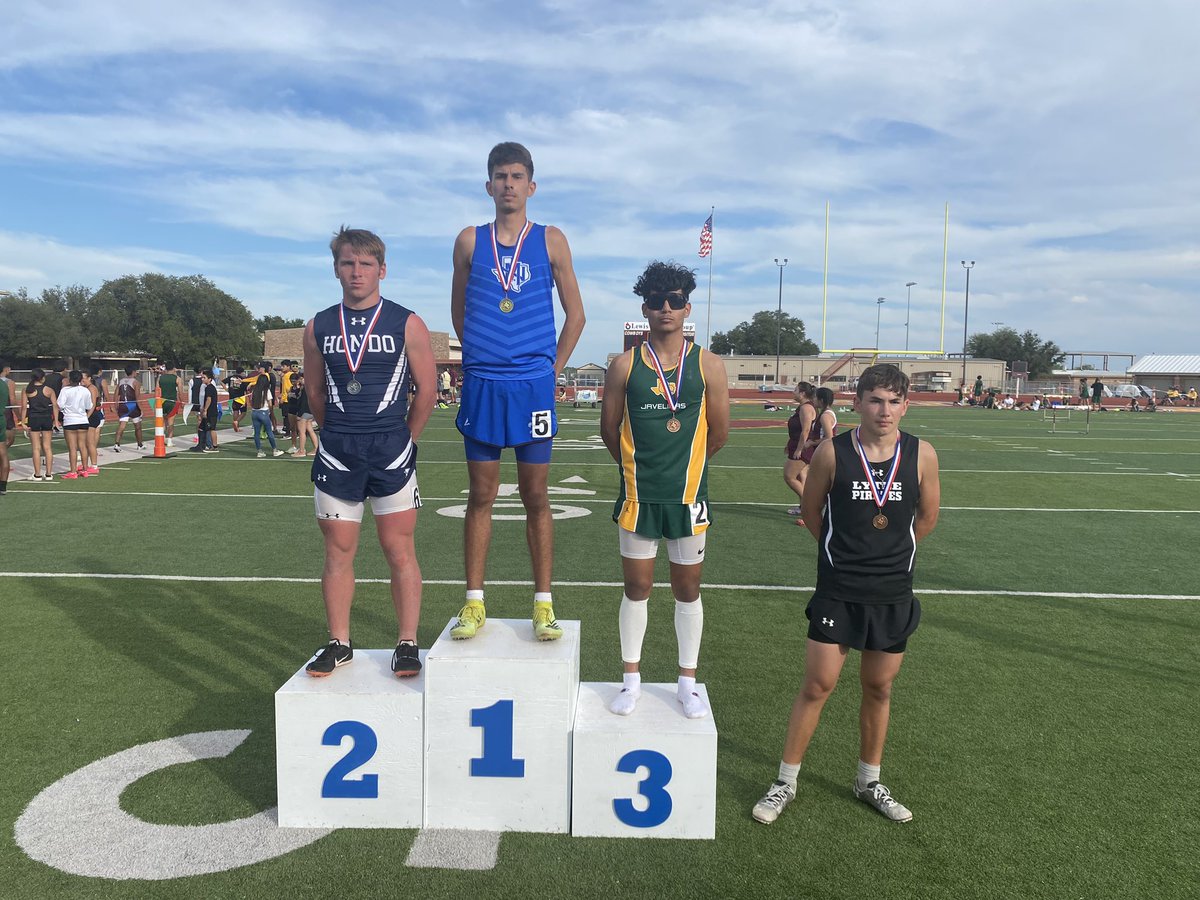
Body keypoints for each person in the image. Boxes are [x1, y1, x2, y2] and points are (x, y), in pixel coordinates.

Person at [752, 364, 941, 827]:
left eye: (893, 402)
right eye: (875, 400)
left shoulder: (922, 454)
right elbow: (812, 511)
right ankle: (785, 781)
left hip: (892, 590)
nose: (884, 411)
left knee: (879, 687)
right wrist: (844, 556)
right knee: (818, 685)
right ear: (857, 403)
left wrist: (889, 558)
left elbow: (926, 519)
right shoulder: (832, 452)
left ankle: (868, 780)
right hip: (839, 588)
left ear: (906, 406)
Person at [449, 141, 585, 641]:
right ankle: (474, 602)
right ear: (488, 185)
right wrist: (482, 355)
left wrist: (551, 371)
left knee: (536, 496)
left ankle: (543, 604)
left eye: (517, 176)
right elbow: (459, 312)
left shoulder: (551, 240)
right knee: (481, 495)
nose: (508, 184)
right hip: (485, 385)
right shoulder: (469, 241)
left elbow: (577, 315)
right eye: (501, 176)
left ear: (531, 186)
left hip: (532, 388)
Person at [302, 226, 436, 678]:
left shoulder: (407, 322)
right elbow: (315, 391)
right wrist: (337, 431)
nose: (356, 272)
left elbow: (427, 390)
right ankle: (339, 642)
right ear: (335, 269)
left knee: (399, 549)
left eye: (365, 264)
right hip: (338, 451)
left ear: (382, 269)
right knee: (338, 551)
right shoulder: (318, 326)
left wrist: (407, 439)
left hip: (391, 449)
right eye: (347, 263)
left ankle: (407, 642)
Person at [600, 260, 728, 719]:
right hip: (639, 497)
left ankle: (687, 683)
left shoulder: (709, 364)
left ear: (687, 307)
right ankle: (630, 680)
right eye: (657, 301)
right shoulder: (624, 365)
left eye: (675, 300)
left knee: (687, 590)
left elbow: (719, 433)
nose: (666, 308)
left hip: (688, 497)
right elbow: (609, 430)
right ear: (645, 308)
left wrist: (684, 470)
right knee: (636, 587)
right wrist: (638, 470)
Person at [783, 383, 816, 519]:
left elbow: (806, 430)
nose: (793, 392)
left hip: (802, 448)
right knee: (800, 477)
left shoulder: (806, 408)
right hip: (797, 445)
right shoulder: (802, 407)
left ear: (802, 393)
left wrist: (799, 449)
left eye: (796, 390)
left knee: (789, 476)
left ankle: (810, 506)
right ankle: (804, 507)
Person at [22, 368, 59, 481]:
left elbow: (24, 407)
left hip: (34, 419)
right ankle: (48, 474)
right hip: (46, 418)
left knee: (36, 448)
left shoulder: (27, 390)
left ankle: (37, 474)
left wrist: (22, 422)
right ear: (42, 378)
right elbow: (55, 406)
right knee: (47, 447)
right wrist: (56, 421)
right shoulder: (49, 390)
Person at [57, 370, 94, 478]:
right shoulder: (85, 390)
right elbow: (89, 406)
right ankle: (85, 469)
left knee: (72, 448)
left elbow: (60, 404)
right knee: (82, 446)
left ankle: (73, 471)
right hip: (82, 420)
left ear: (70, 379)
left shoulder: (65, 390)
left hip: (70, 420)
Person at [249, 361, 283, 458]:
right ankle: (275, 450)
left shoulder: (254, 391)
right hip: (263, 412)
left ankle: (259, 451)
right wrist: (270, 412)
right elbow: (270, 404)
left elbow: (251, 401)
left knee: (256, 433)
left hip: (254, 412)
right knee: (269, 431)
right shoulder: (266, 391)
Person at [112, 364, 145, 451]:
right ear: (133, 372)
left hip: (123, 405)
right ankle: (140, 444)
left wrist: (115, 405)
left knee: (122, 426)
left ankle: (117, 444)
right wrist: (141, 409)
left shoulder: (121, 381)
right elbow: (137, 397)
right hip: (133, 405)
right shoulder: (136, 382)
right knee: (137, 426)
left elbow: (116, 394)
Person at [83, 369, 103, 475]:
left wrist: (86, 417)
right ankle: (85, 464)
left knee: (90, 442)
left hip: (92, 416)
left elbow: (93, 405)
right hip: (88, 415)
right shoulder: (86, 388)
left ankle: (94, 465)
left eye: (84, 378)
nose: (82, 381)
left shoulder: (92, 388)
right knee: (85, 443)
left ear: (89, 378)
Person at [293, 372, 318, 457]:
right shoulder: (312, 387)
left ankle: (301, 451)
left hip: (304, 412)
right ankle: (316, 448)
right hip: (311, 411)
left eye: (301, 379)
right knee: (310, 430)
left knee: (302, 431)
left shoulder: (306, 388)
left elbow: (303, 402)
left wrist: (299, 415)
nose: (300, 380)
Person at [157, 362, 181, 447]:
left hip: (162, 401)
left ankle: (162, 438)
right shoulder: (177, 378)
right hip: (172, 402)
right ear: (174, 368)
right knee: (171, 422)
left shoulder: (160, 378)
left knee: (163, 421)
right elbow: (180, 392)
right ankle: (169, 440)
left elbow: (157, 390)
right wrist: (181, 402)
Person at [224, 367, 248, 432]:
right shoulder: (242, 379)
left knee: (235, 411)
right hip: (241, 397)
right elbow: (246, 390)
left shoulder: (230, 377)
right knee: (244, 412)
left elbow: (222, 382)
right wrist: (245, 400)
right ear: (242, 372)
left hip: (232, 397)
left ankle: (236, 427)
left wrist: (226, 389)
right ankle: (236, 422)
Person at [0, 358, 16, 451]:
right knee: (9, 439)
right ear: (6, 369)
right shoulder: (9, 382)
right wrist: (19, 415)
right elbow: (12, 400)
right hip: (5, 413)